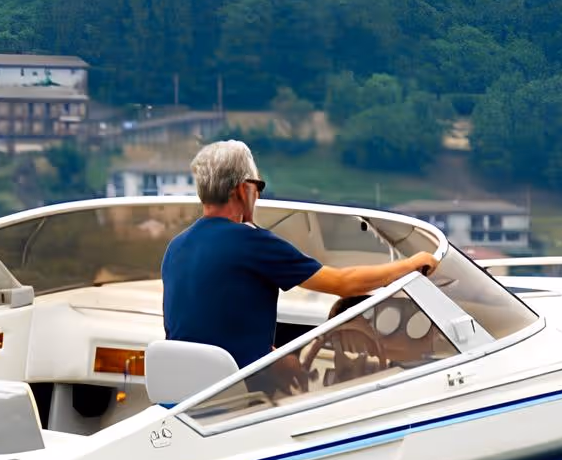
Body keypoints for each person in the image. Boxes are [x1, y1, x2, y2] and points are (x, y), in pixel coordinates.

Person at [161, 140, 438, 368]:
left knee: (289, 366)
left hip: (184, 394)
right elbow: (342, 283)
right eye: (258, 188)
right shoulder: (251, 242)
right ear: (241, 190)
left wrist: (273, 357)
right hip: (232, 395)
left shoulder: (176, 247)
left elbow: (210, 324)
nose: (258, 196)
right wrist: (411, 265)